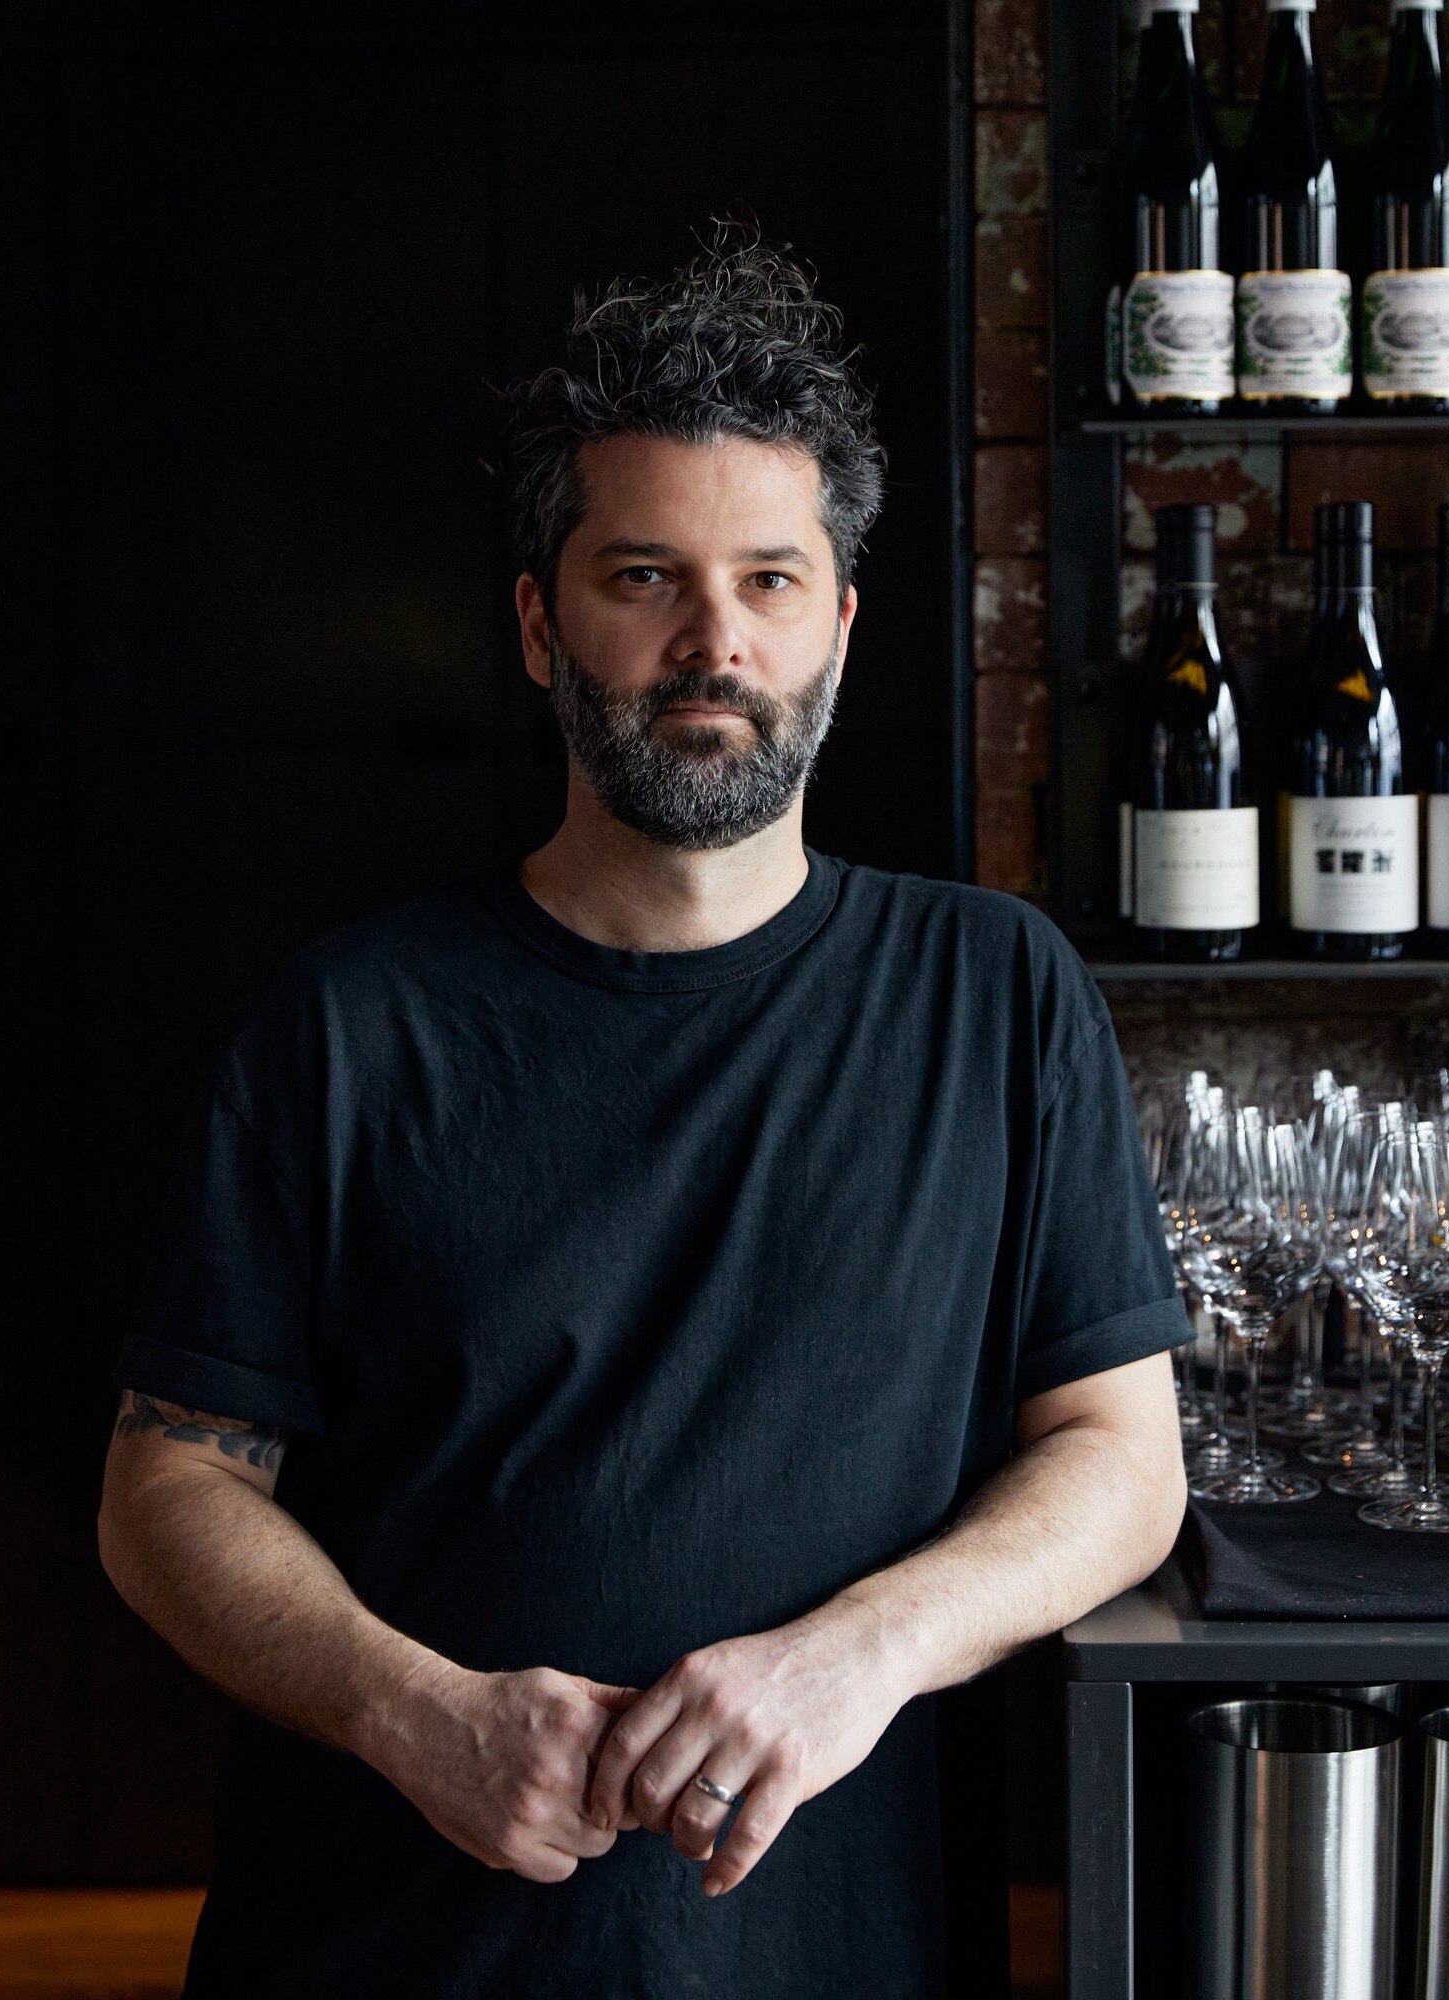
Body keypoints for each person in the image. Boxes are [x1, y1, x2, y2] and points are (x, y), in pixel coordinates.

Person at [97, 222, 1190, 2000]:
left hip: (836, 1951)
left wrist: (861, 1655)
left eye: (769, 578)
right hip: (389, 1951)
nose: (711, 640)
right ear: (540, 627)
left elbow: (1123, 1465)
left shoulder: (997, 995)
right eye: (641, 577)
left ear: (842, 623)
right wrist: (415, 1711)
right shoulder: (350, 1023)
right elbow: (164, 1488)